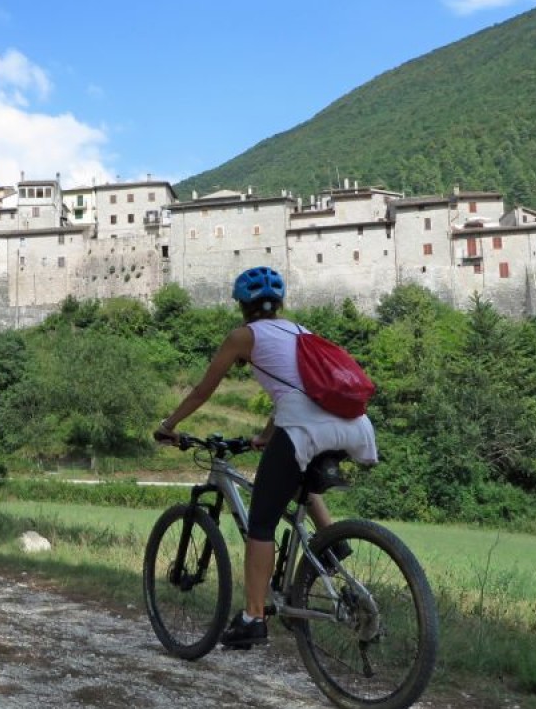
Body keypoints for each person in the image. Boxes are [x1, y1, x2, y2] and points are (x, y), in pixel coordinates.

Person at [155, 266, 378, 649]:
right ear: (280, 304)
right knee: (293, 481)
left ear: (243, 305)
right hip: (354, 426)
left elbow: (202, 391)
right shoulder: (299, 331)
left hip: (305, 430)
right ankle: (329, 545)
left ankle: (252, 617)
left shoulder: (243, 337)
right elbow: (300, 390)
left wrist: (169, 424)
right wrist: (266, 435)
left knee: (261, 523)